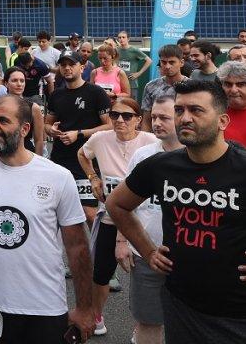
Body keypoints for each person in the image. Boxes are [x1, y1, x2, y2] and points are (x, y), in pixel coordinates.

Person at [108, 79, 246, 343]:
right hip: (183, 308)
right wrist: (148, 251)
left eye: (196, 110)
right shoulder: (160, 166)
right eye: (179, 110)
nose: (185, 118)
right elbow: (117, 204)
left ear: (223, 121)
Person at [0, 94, 95, 342]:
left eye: (3, 121)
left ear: (24, 129)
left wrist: (84, 307)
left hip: (45, 307)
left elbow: (77, 247)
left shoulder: (58, 177)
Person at [77, 95, 156, 335]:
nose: (120, 120)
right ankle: (96, 316)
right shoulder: (100, 139)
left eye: (127, 116)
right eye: (114, 115)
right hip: (111, 216)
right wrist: (93, 178)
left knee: (147, 272)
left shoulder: (151, 142)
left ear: (138, 120)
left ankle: (145, 326)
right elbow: (82, 154)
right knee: (101, 272)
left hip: (144, 220)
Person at [118, 95, 183, 344]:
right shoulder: (143, 156)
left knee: (189, 321)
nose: (156, 123)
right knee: (148, 320)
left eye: (164, 118)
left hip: (192, 257)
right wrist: (121, 242)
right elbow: (123, 204)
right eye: (153, 117)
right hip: (146, 254)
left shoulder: (198, 157)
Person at [45, 51, 112, 225]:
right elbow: (47, 124)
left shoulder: (96, 93)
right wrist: (51, 130)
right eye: (63, 65)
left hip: (86, 161)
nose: (67, 68)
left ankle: (98, 244)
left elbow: (109, 126)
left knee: (89, 213)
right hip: (59, 160)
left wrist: (79, 133)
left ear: (81, 68)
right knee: (55, 212)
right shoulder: (56, 95)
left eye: (71, 64)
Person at [140, 45, 186, 130]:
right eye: (164, 62)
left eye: (172, 62)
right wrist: (146, 137)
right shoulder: (151, 86)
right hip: (157, 134)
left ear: (181, 63)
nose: (167, 66)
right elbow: (146, 120)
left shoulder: (191, 86)